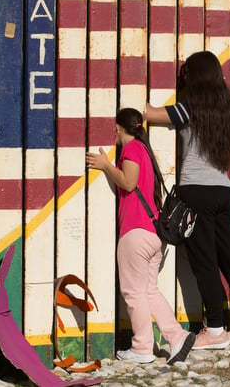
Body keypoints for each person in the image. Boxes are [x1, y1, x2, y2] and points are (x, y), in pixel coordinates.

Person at [145, 50, 230, 349]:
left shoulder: (189, 108)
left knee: (205, 263)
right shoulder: (227, 110)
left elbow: (152, 114)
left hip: (196, 191)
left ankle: (217, 331)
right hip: (224, 190)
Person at [85, 107, 196, 364]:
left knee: (133, 292)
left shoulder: (132, 149)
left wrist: (104, 166)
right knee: (149, 290)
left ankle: (142, 347)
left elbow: (128, 182)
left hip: (135, 232)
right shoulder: (145, 151)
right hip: (153, 234)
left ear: (117, 128)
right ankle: (177, 335)